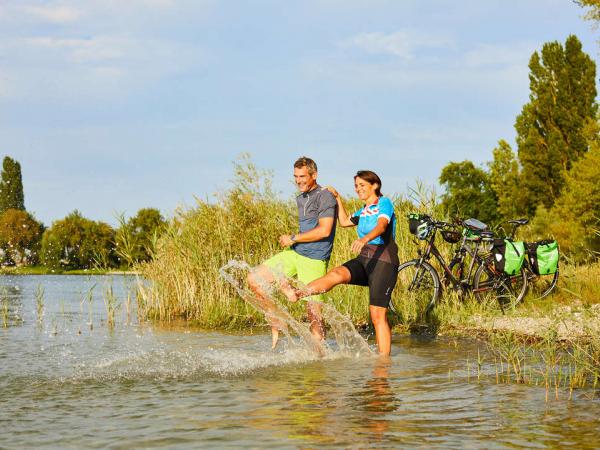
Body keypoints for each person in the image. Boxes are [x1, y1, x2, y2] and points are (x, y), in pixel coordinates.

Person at [291, 170, 398, 356]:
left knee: (377, 315)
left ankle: (383, 364)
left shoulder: (384, 203)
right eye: (356, 186)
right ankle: (300, 293)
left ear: (375, 185)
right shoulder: (363, 210)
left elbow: (381, 226)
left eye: (362, 185)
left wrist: (363, 240)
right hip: (364, 260)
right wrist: (338, 198)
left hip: (384, 262)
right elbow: (344, 221)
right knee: (336, 274)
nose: (358, 189)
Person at [247, 156, 337, 349]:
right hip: (294, 253)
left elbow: (324, 230)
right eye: (296, 176)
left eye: (303, 176)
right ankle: (277, 318)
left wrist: (293, 238)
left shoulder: (325, 196)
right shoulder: (301, 197)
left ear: (314, 175)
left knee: (314, 313)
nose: (298, 181)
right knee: (254, 279)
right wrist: (293, 242)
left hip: (314, 259)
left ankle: (319, 361)